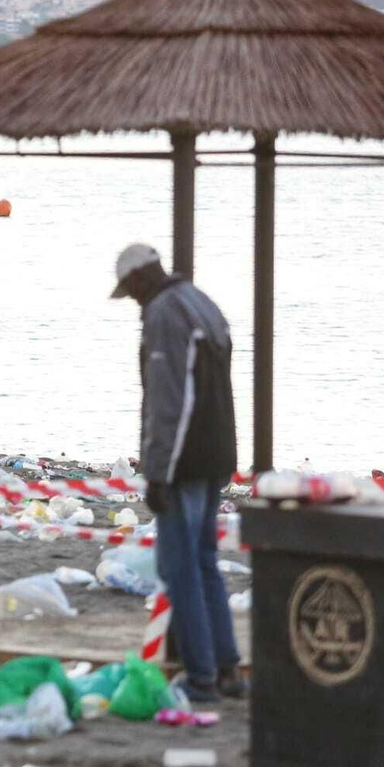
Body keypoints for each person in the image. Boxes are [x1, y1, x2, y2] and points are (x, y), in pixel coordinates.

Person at [111, 243, 246, 702]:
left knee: (179, 566)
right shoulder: (200, 301)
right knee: (205, 561)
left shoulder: (163, 313)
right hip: (216, 452)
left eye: (130, 292)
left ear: (138, 281)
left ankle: (202, 676)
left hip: (185, 461)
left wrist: (157, 473)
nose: (132, 302)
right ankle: (228, 667)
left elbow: (168, 402)